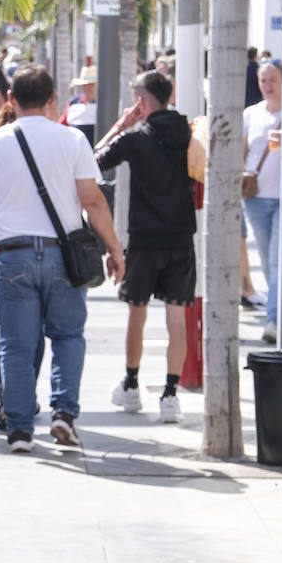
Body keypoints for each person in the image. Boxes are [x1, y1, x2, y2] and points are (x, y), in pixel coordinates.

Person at [0, 66, 124, 452]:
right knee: (66, 335)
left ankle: (18, 429)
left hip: (11, 256)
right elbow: (93, 200)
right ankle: (63, 413)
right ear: (52, 101)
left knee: (14, 344)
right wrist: (114, 248)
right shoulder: (73, 140)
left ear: (11, 100)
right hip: (63, 256)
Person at [94, 71, 197, 423]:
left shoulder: (135, 139)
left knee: (137, 311)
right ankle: (170, 394)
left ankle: (132, 385)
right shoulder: (188, 131)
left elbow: (93, 162)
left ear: (140, 101)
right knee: (177, 317)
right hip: (181, 237)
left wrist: (120, 126)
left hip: (145, 238)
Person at [0, 105, 46, 432]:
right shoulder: (43, 151)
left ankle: (7, 400)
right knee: (36, 327)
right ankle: (25, 396)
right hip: (34, 247)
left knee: (0, 329)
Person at [244, 60, 282, 344]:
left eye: (273, 80)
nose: (268, 86)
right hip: (256, 198)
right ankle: (279, 311)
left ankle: (273, 320)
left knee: (277, 259)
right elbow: (241, 150)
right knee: (268, 261)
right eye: (263, 81)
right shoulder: (251, 114)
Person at [62, 66, 98, 145]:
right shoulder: (73, 103)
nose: (88, 88)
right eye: (85, 85)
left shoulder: (104, 106)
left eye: (91, 84)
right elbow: (62, 125)